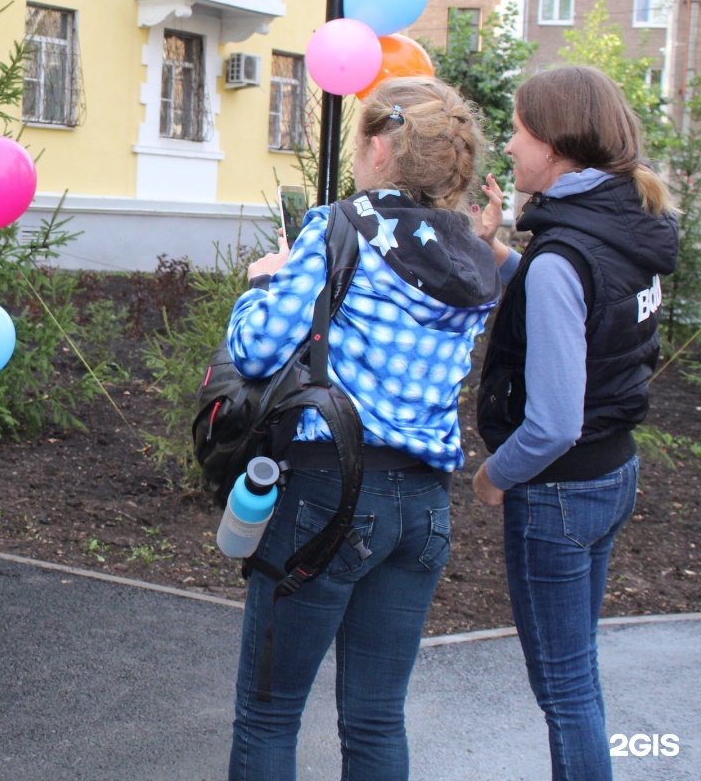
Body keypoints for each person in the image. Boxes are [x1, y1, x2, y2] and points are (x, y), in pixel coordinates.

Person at [225, 77, 501, 781]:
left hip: (328, 495)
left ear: (380, 145)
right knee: (377, 717)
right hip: (424, 511)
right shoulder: (474, 253)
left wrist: (261, 284)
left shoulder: (340, 226)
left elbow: (258, 352)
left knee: (269, 712)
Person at [471, 65, 678, 781]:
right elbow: (583, 307)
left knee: (565, 693)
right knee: (578, 677)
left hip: (558, 491)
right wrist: (498, 250)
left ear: (556, 148)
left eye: (520, 131)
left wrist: (495, 475)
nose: (509, 143)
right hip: (612, 471)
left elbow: (553, 422)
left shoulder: (565, 253)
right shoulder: (621, 220)